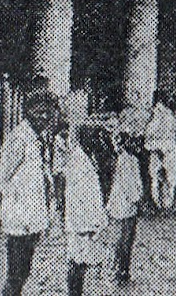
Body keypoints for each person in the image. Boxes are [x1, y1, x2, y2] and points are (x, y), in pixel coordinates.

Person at [0, 86, 61, 296]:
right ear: (28, 111)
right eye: (40, 112)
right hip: (18, 216)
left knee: (24, 271)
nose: (45, 116)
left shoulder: (37, 139)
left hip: (32, 216)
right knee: (16, 273)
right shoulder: (19, 138)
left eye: (48, 111)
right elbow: (1, 176)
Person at [66, 124, 110, 296]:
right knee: (77, 262)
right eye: (93, 139)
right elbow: (77, 197)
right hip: (81, 222)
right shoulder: (79, 162)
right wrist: (87, 224)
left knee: (81, 262)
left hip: (85, 222)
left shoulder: (84, 159)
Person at [106, 120, 145, 285]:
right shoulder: (129, 160)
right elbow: (131, 186)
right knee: (126, 240)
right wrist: (138, 199)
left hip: (120, 204)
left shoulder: (123, 159)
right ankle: (122, 272)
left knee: (122, 240)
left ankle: (121, 271)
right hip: (127, 205)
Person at [144, 92, 176, 212]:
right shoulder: (166, 115)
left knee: (157, 177)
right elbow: (173, 133)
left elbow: (148, 133)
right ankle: (165, 203)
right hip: (166, 149)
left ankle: (159, 203)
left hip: (158, 149)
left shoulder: (154, 115)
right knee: (168, 178)